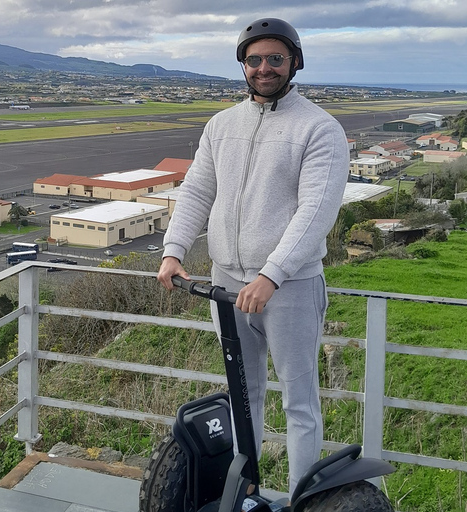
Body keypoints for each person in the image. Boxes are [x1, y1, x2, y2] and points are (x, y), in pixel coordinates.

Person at [156, 18, 349, 495]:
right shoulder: (222, 125)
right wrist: (173, 251)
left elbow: (316, 212)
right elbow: (198, 190)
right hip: (226, 283)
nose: (264, 68)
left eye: (275, 59)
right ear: (243, 65)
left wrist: (272, 274)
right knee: (244, 397)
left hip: (291, 288)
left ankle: (303, 499)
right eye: (254, 59)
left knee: (299, 402)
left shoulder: (320, 129)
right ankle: (247, 494)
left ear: (295, 63)